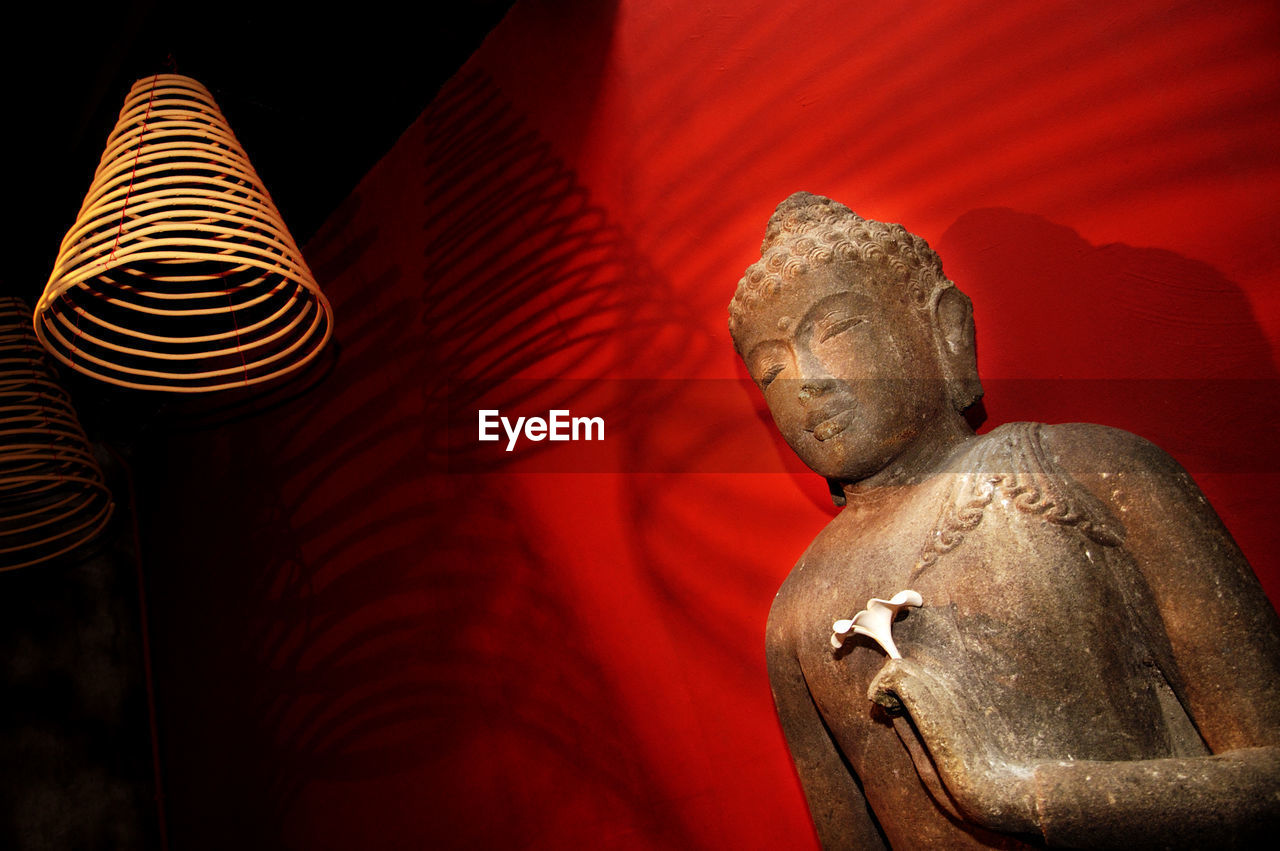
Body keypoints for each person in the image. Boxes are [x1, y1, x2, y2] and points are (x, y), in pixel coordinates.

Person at [729, 192, 1280, 849]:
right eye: (770, 369)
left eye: (839, 332)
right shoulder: (796, 616)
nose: (804, 381)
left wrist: (1018, 793)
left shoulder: (1086, 471)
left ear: (946, 329)